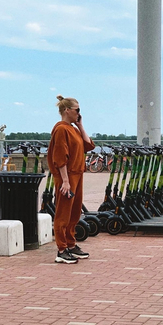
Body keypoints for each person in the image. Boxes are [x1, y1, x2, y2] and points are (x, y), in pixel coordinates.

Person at [47, 95, 95, 264]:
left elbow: (88, 145)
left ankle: (70, 244)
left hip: (77, 174)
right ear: (67, 110)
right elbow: (60, 156)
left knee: (74, 212)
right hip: (67, 176)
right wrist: (65, 181)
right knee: (63, 213)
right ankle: (61, 249)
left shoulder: (73, 129)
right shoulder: (61, 129)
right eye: (77, 110)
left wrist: (80, 125)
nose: (79, 113)